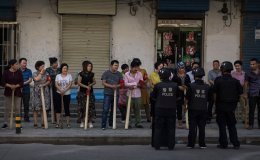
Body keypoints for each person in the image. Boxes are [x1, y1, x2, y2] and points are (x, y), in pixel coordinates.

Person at [214, 61, 242, 149]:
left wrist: (215, 104)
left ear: (222, 70)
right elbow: (240, 94)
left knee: (222, 125)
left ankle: (223, 143)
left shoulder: (218, 80)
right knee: (232, 125)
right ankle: (235, 143)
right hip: (231, 107)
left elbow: (215, 94)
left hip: (221, 106)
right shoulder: (236, 81)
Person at [151, 68, 178, 150]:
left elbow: (152, 97)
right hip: (171, 109)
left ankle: (157, 145)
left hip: (159, 109)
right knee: (171, 128)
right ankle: (171, 145)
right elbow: (178, 97)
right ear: (170, 75)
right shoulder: (175, 85)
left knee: (158, 128)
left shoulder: (157, 85)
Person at [185, 67, 209, 149]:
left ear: (194, 76)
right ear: (202, 76)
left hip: (193, 109)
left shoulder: (191, 86)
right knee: (202, 127)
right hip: (203, 109)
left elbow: (187, 98)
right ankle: (202, 144)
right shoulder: (207, 86)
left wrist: (185, 107)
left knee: (192, 127)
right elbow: (209, 99)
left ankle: (191, 144)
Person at [1, 59, 23, 129]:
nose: (17, 65)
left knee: (17, 108)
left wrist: (16, 86)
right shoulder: (6, 72)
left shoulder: (19, 72)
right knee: (7, 108)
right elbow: (2, 82)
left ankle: (18, 123)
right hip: (8, 92)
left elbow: (22, 82)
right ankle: (5, 123)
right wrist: (10, 86)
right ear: (11, 65)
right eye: (16, 64)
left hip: (17, 92)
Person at [101, 60, 123, 130]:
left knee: (114, 110)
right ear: (111, 65)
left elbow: (122, 83)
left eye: (117, 65)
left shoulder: (119, 74)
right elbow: (103, 83)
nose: (116, 67)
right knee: (105, 109)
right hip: (107, 94)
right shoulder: (106, 73)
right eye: (115, 65)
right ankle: (103, 125)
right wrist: (111, 86)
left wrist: (117, 86)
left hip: (116, 94)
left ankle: (111, 124)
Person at [124, 59, 144, 128]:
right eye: (135, 67)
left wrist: (133, 85)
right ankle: (128, 123)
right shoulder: (126, 74)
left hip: (138, 94)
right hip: (129, 94)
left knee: (137, 108)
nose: (136, 69)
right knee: (129, 109)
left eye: (137, 67)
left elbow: (141, 83)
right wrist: (135, 84)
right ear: (131, 67)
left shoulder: (140, 73)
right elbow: (125, 84)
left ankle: (138, 123)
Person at [32, 61, 51, 128]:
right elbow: (36, 79)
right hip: (37, 92)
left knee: (44, 108)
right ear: (38, 67)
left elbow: (49, 81)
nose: (43, 67)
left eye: (44, 66)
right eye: (42, 66)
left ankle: (43, 122)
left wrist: (44, 85)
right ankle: (35, 123)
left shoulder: (47, 73)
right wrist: (40, 73)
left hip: (45, 91)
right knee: (36, 108)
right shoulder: (35, 73)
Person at [77, 61, 96, 128]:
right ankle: (82, 121)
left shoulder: (92, 74)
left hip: (90, 93)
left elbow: (94, 81)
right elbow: (79, 83)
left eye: (90, 66)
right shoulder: (81, 74)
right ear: (85, 66)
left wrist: (90, 85)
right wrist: (86, 86)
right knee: (82, 107)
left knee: (90, 107)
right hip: (82, 93)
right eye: (88, 66)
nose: (90, 67)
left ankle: (90, 121)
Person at [172, 61, 191, 129]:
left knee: (186, 108)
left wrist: (186, 87)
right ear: (178, 69)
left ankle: (187, 122)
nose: (182, 69)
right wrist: (178, 87)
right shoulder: (175, 76)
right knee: (179, 108)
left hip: (186, 94)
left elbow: (189, 84)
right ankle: (180, 123)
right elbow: (173, 85)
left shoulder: (187, 76)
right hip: (178, 95)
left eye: (183, 68)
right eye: (180, 68)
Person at [133, 58, 151, 122]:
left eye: (138, 64)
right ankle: (138, 119)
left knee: (146, 104)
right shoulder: (131, 71)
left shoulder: (143, 70)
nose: (137, 66)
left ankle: (148, 118)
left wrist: (142, 82)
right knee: (137, 105)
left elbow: (146, 79)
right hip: (135, 89)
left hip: (143, 89)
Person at [244, 58, 260, 129]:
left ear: (257, 64)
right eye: (250, 64)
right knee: (251, 110)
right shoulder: (248, 73)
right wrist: (245, 93)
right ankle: (251, 124)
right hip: (252, 94)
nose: (251, 65)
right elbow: (246, 84)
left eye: (253, 64)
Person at [55, 63, 72, 128]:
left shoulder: (69, 76)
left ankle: (68, 123)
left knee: (67, 108)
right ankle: (58, 123)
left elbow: (70, 85)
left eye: (66, 68)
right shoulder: (58, 76)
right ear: (61, 69)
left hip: (67, 94)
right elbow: (56, 84)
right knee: (58, 108)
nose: (65, 69)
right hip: (59, 93)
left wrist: (64, 90)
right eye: (64, 68)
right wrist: (60, 90)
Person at [231, 60, 247, 125]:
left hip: (241, 92)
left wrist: (245, 93)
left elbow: (245, 84)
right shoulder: (232, 74)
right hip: (234, 93)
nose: (237, 67)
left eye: (238, 66)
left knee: (243, 106)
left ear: (241, 66)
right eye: (236, 66)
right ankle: (233, 119)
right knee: (233, 107)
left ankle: (244, 119)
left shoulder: (244, 74)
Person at [19, 58, 32, 122]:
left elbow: (30, 79)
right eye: (23, 63)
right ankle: (18, 118)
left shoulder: (29, 70)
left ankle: (26, 118)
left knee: (26, 104)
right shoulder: (17, 71)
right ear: (20, 63)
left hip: (26, 90)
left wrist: (23, 83)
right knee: (18, 105)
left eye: (25, 63)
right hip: (18, 90)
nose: (25, 64)